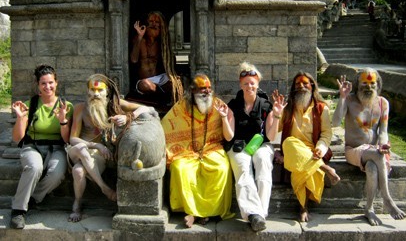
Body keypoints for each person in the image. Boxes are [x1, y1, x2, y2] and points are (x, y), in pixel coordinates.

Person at [67, 74, 156, 222]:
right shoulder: (80, 109)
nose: (96, 94)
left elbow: (148, 108)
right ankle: (105, 188)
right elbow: (72, 139)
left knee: (78, 171)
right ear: (87, 91)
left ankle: (77, 204)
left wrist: (128, 117)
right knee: (82, 149)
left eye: (100, 90)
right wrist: (96, 145)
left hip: (97, 157)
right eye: (92, 90)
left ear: (107, 92)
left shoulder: (115, 105)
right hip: (78, 150)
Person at [332, 68, 406, 226]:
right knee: (376, 155)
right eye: (364, 83)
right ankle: (387, 199)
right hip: (353, 151)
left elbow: (383, 132)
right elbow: (335, 123)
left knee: (373, 168)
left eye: (372, 83)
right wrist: (342, 97)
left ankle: (369, 208)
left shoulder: (382, 103)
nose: (368, 87)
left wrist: (383, 145)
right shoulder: (350, 100)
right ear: (357, 84)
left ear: (377, 84)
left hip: (374, 153)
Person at [160, 74, 235, 228]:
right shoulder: (181, 107)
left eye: (209, 88)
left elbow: (228, 137)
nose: (207, 92)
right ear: (192, 91)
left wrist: (223, 117)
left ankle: (204, 213)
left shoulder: (219, 105)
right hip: (186, 151)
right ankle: (191, 212)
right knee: (180, 169)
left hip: (212, 148)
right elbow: (165, 127)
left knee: (221, 168)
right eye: (202, 89)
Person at [10, 64, 74, 229]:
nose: (48, 87)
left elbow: (67, 139)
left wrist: (62, 120)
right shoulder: (29, 105)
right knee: (34, 167)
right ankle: (18, 210)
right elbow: (18, 138)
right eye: (43, 83)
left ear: (56, 83)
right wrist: (20, 118)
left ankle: (32, 198)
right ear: (38, 85)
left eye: (51, 82)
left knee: (57, 173)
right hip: (33, 146)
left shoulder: (66, 106)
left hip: (57, 148)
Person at [225, 62, 286, 232]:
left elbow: (271, 136)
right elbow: (228, 136)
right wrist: (224, 118)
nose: (249, 86)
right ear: (240, 84)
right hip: (238, 145)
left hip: (261, 145)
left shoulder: (266, 106)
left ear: (258, 83)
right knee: (243, 167)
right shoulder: (233, 105)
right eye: (246, 83)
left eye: (252, 83)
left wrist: (277, 115)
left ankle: (259, 214)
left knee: (263, 163)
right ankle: (254, 214)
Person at [275, 71, 340, 222]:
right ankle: (325, 168)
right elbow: (275, 131)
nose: (301, 86)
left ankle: (303, 208)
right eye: (298, 84)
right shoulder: (288, 107)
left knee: (302, 169)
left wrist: (321, 148)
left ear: (312, 86)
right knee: (289, 142)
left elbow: (326, 133)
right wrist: (276, 113)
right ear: (293, 87)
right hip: (292, 148)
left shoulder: (321, 108)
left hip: (312, 150)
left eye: (305, 83)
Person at [130, 11, 183, 104]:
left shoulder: (162, 44)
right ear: (146, 23)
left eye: (157, 22)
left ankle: (174, 105)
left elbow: (171, 61)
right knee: (147, 86)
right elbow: (134, 60)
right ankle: (162, 98)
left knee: (177, 83)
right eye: (151, 21)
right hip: (144, 80)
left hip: (159, 78)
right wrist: (139, 36)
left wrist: (174, 76)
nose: (154, 24)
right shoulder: (140, 40)